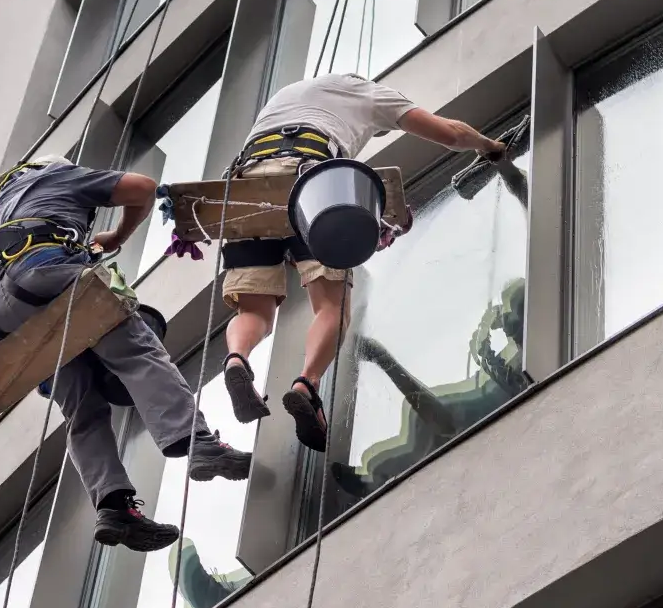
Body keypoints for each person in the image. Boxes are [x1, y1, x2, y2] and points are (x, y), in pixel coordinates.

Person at [214, 73, 508, 450]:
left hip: (245, 189)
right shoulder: (371, 92)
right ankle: (306, 384)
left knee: (254, 311)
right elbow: (450, 133)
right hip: (309, 184)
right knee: (331, 307)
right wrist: (490, 146)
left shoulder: (287, 95)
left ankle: (237, 359)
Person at [0, 157, 249, 551]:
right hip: (45, 272)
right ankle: (197, 442)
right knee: (136, 351)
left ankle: (114, 507)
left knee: (80, 404)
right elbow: (143, 189)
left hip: (4, 316)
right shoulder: (56, 176)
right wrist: (117, 236)